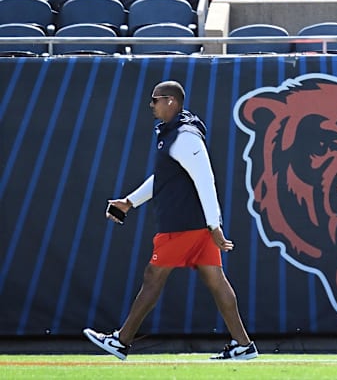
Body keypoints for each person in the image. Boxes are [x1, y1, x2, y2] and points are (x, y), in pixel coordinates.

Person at [83, 81, 257, 361]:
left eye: (155, 100)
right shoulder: (172, 134)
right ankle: (243, 345)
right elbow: (165, 177)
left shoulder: (185, 136)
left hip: (184, 226)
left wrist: (215, 225)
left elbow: (206, 180)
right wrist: (129, 202)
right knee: (216, 280)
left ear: (171, 102)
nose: (151, 105)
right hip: (192, 224)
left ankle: (121, 341)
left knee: (153, 277)